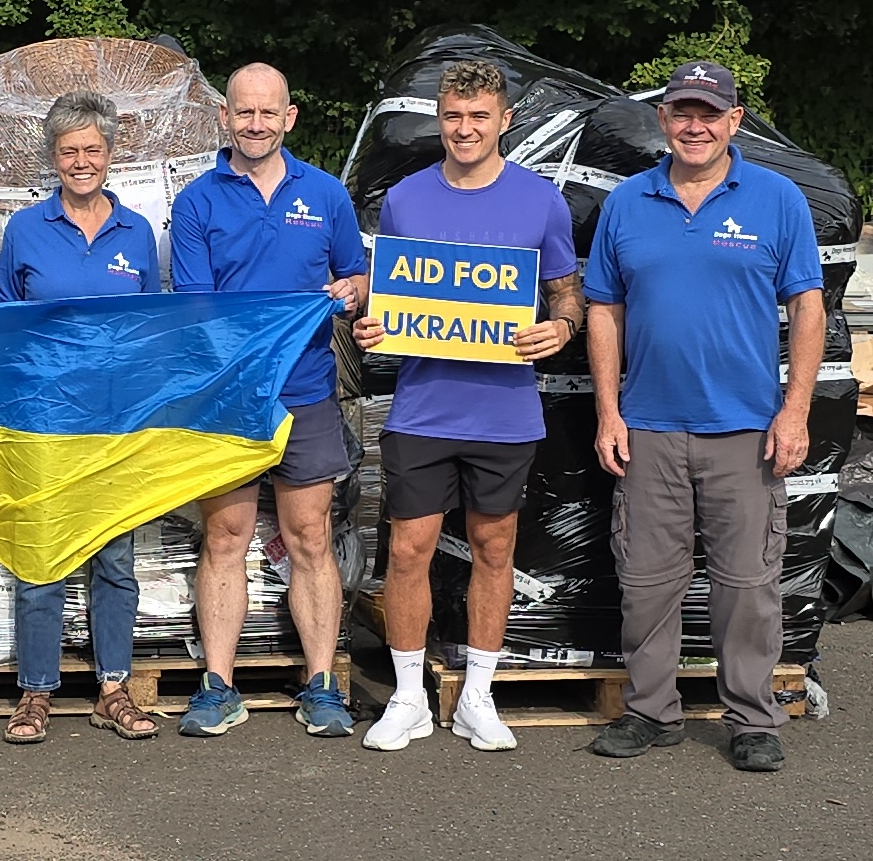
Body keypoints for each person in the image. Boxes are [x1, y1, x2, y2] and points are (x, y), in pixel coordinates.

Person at [583, 61, 824, 773]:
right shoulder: (628, 203)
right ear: (663, 121)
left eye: (709, 114)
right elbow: (604, 309)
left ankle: (751, 719)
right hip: (649, 426)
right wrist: (607, 412)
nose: (695, 126)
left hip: (747, 430)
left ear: (734, 121)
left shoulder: (777, 200)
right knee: (646, 582)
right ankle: (650, 712)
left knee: (747, 586)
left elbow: (808, 307)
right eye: (682, 112)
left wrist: (796, 412)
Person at [351, 61, 581, 752]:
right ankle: (410, 698)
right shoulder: (406, 199)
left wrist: (562, 326)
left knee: (494, 546)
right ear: (439, 119)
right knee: (410, 549)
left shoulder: (542, 201)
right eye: (453, 116)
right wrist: (374, 323)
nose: (465, 129)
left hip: (504, 410)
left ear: (504, 121)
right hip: (422, 407)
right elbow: (394, 297)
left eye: (479, 116)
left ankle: (479, 694)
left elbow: (568, 290)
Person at [167, 62, 367, 738]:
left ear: (290, 117)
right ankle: (217, 686)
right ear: (224, 118)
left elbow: (356, 275)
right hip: (228, 401)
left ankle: (321, 686)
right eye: (243, 113)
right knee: (224, 537)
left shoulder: (328, 194)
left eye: (268, 113)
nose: (255, 124)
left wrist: (355, 294)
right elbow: (200, 308)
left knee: (311, 537)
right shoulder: (197, 201)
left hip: (307, 393)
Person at [0, 90, 162, 745]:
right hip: (43, 421)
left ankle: (112, 689)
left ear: (111, 155)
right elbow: (4, 318)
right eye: (69, 151)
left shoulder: (138, 233)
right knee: (42, 557)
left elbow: (153, 329)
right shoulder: (26, 230)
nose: (81, 161)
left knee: (115, 559)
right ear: (54, 158)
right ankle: (36, 692)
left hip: (115, 424)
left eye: (92, 149)